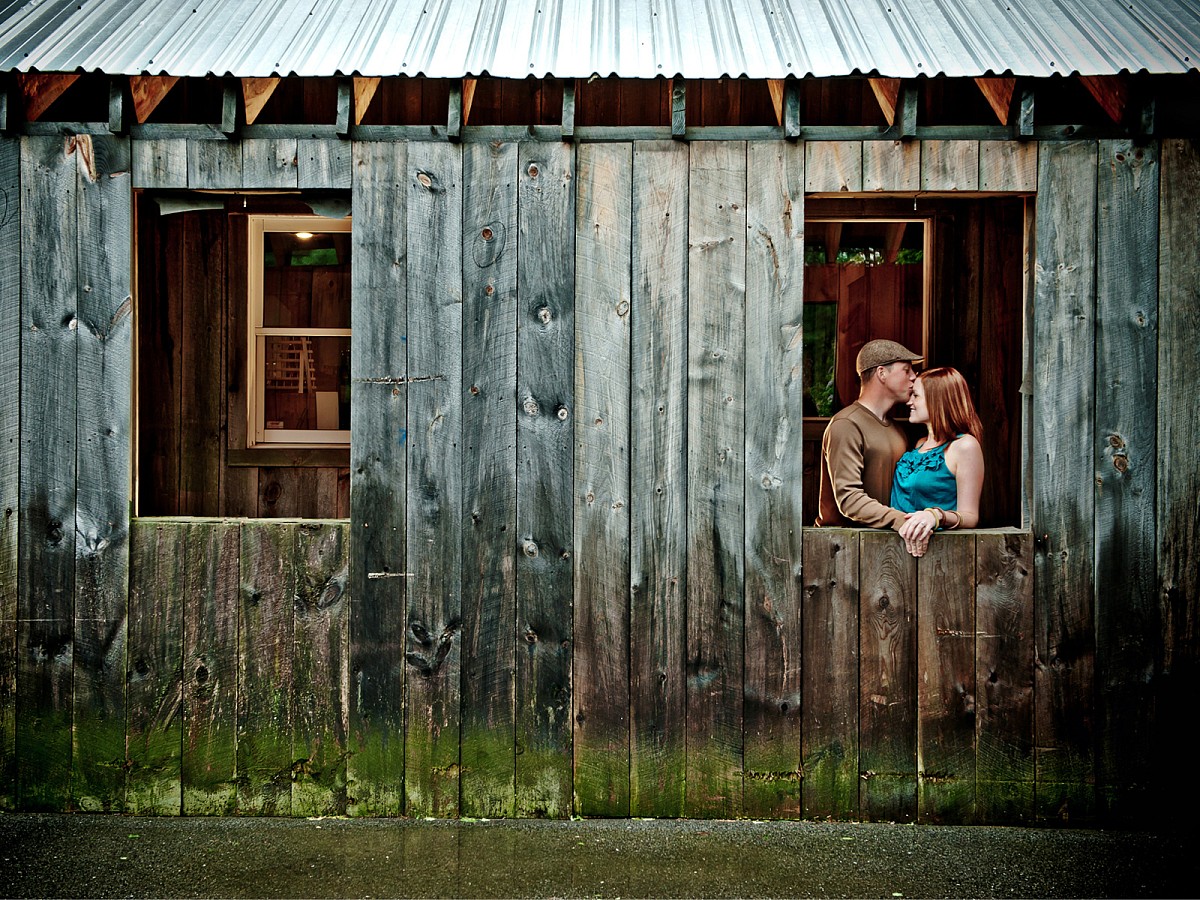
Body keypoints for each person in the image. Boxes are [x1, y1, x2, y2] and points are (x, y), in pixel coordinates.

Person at [816, 339, 923, 531]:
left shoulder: (898, 430)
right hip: (843, 544)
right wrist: (901, 520)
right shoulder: (846, 424)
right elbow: (849, 499)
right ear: (882, 373)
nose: (914, 377)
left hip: (889, 542)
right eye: (906, 370)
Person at [891, 367, 984, 557]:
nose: (909, 402)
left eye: (916, 396)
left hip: (939, 553)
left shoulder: (965, 446)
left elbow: (970, 517)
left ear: (937, 400)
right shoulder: (919, 444)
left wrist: (935, 515)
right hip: (895, 548)